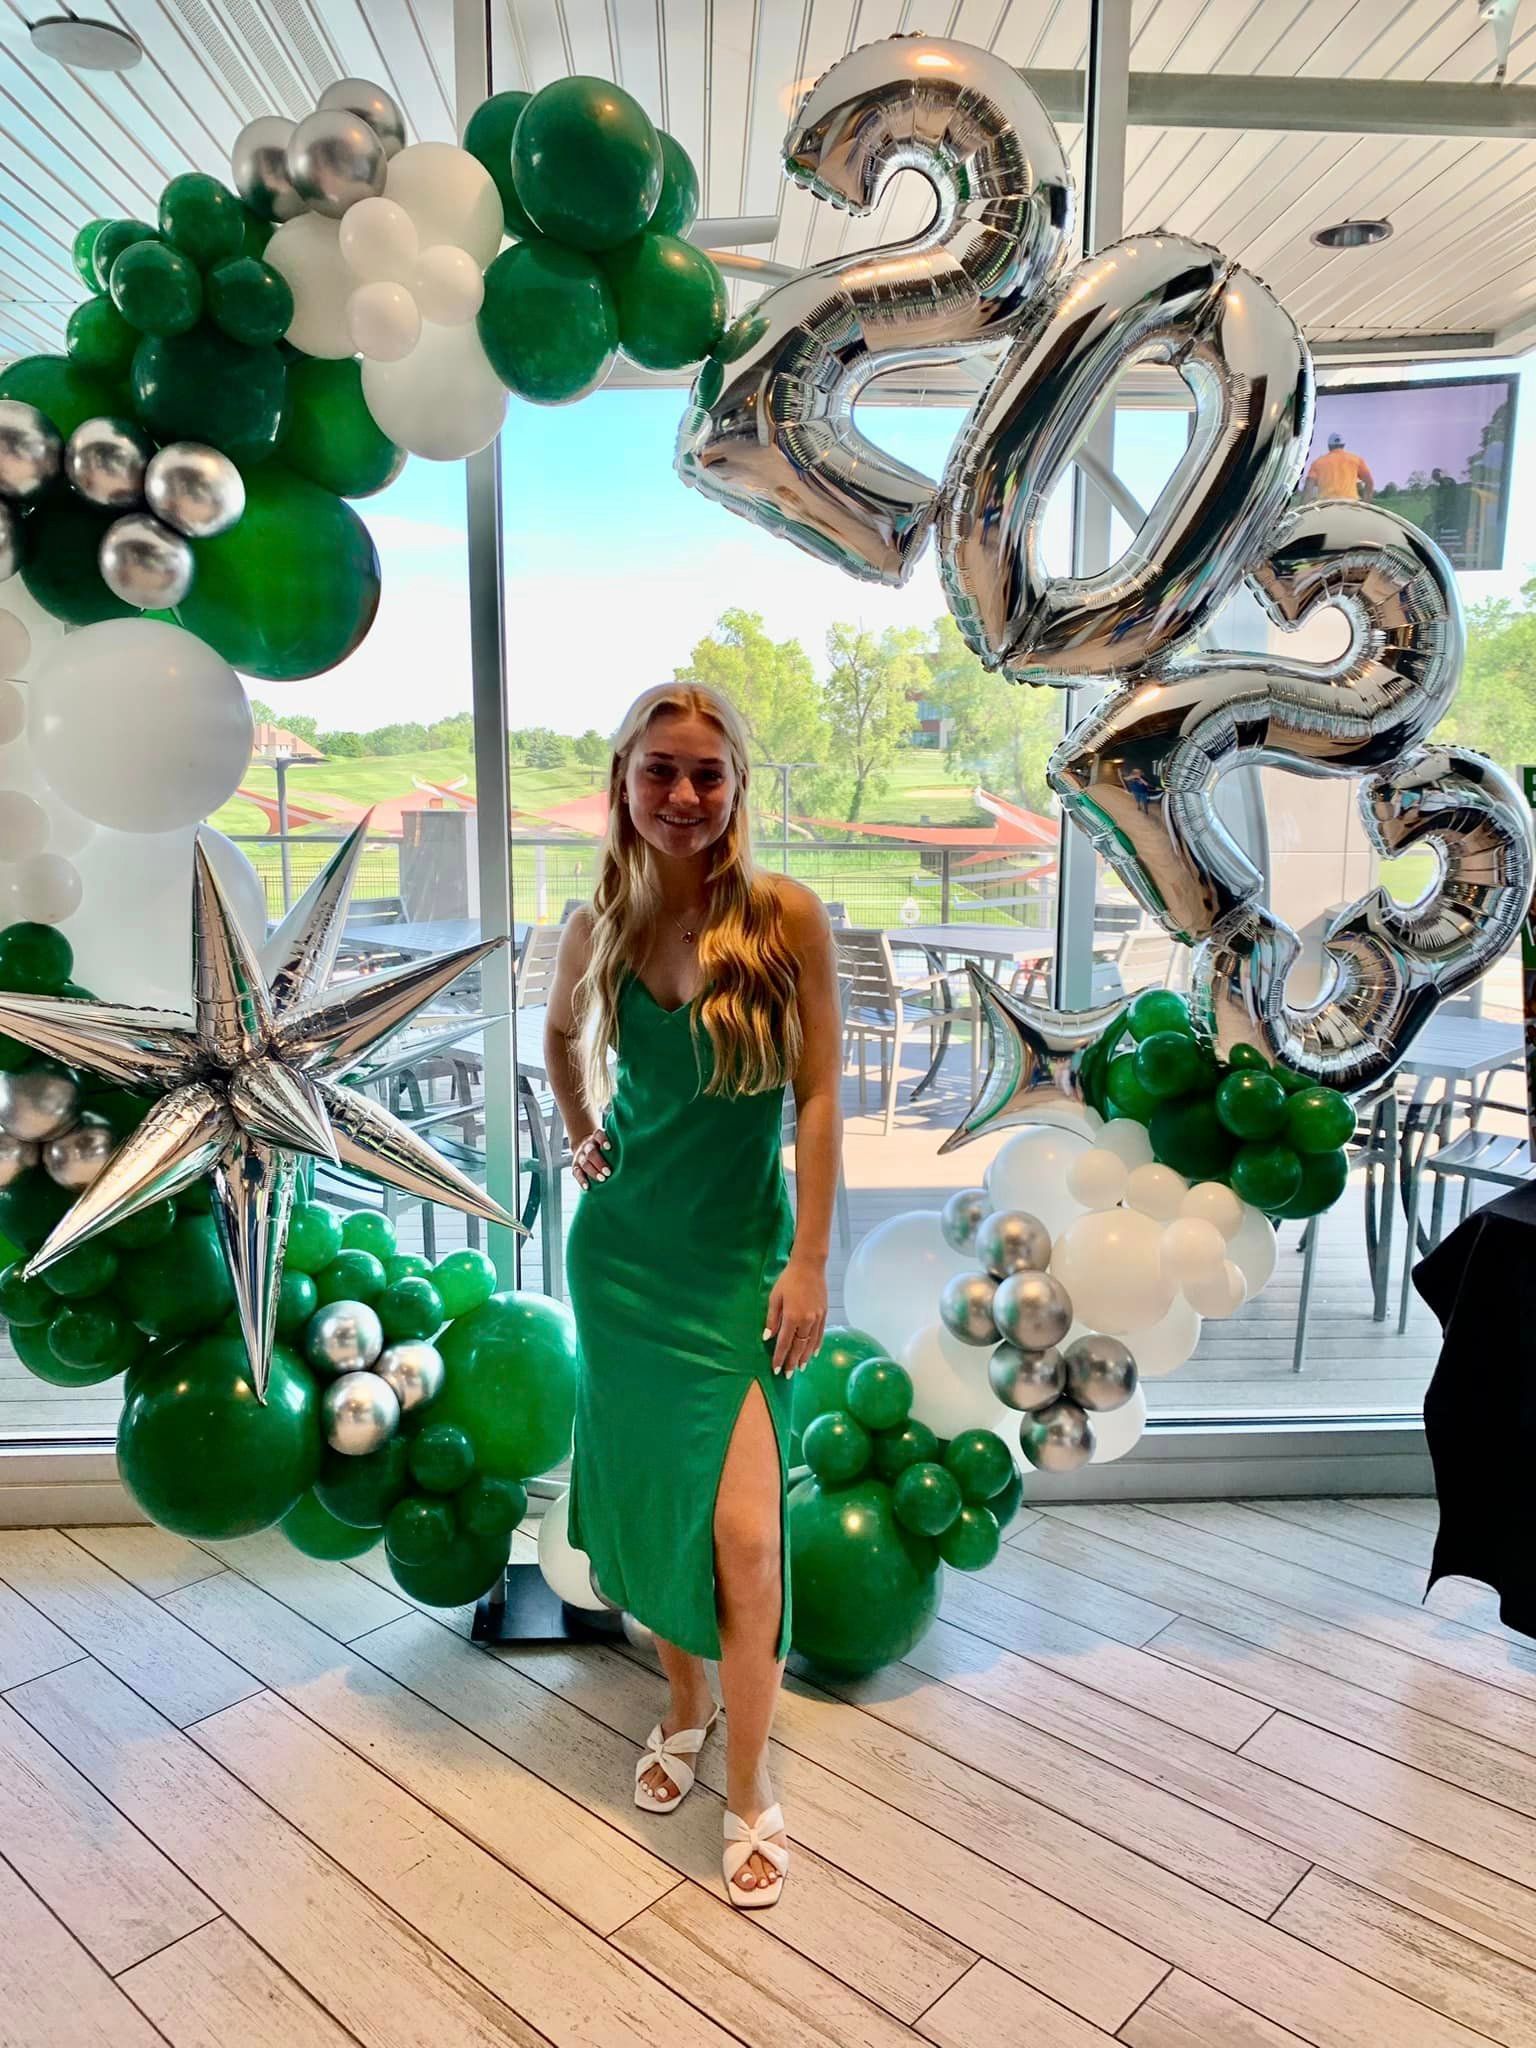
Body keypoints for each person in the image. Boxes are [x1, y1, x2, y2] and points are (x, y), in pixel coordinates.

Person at [543, 681, 843, 1911]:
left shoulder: (784, 920)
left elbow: (821, 1097)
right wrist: (579, 1131)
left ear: (736, 788)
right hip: (620, 1262)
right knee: (660, 1504)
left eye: (705, 774)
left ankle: (754, 1779)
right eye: (658, 770)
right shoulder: (595, 921)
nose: (682, 794)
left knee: (747, 1535)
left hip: (734, 1270)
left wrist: (812, 1257)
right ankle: (682, 1699)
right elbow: (561, 1037)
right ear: (622, 780)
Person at [1303, 430, 1374, 501]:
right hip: (1350, 502)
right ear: (1343, 445)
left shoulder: (1317, 462)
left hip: (1325, 503)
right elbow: (1370, 482)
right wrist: (1366, 502)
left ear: (1329, 446)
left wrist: (1304, 506)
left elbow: (1308, 486)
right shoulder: (1356, 460)